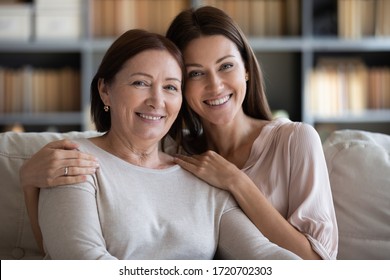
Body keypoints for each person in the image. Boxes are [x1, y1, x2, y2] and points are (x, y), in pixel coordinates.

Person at [21, 6, 338, 260]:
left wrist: (237, 182)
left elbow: (284, 258)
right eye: (196, 74)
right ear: (105, 91)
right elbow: (68, 255)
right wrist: (28, 183)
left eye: (169, 86)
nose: (214, 85)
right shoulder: (187, 156)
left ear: (246, 69)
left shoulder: (215, 170)